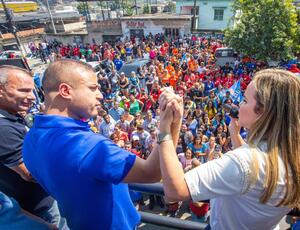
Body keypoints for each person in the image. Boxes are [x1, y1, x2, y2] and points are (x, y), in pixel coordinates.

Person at [22, 60, 182, 230]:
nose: (100, 95)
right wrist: (172, 121)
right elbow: (153, 172)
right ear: (65, 91)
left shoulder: (30, 138)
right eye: (93, 88)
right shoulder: (88, 146)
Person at [158, 69, 300, 229]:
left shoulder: (241, 162)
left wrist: (165, 129)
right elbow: (254, 176)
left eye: (245, 100)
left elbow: (174, 191)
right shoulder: (292, 155)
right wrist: (234, 133)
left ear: (263, 113)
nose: (239, 104)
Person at [0, 65, 62, 227]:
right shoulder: (3, 128)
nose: (32, 97)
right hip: (40, 207)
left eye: (32, 90)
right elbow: (30, 173)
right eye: (23, 90)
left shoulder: (11, 116)